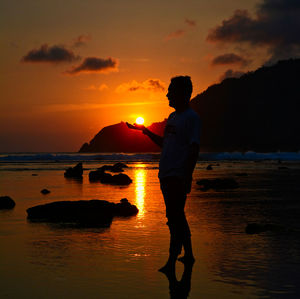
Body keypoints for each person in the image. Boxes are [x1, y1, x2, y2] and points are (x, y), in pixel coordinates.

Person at [127, 76, 201, 273]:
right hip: (166, 174)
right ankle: (189, 255)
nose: (167, 94)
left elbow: (194, 149)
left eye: (171, 90)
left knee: (174, 217)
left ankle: (171, 261)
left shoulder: (191, 118)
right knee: (176, 216)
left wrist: (187, 175)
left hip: (178, 174)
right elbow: (165, 144)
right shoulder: (173, 117)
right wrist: (145, 131)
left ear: (183, 93)